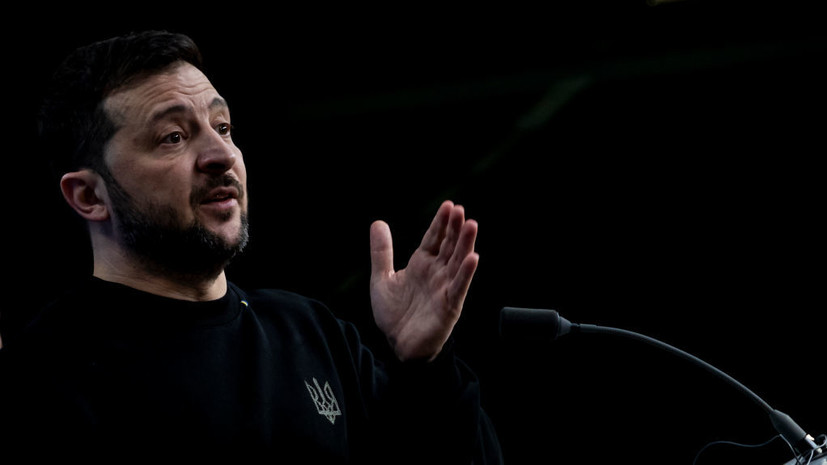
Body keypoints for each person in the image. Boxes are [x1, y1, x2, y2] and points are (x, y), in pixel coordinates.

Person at [0, 30, 502, 463]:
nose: (221, 154)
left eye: (223, 127)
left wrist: (427, 366)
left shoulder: (310, 332)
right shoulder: (43, 376)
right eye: (173, 137)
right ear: (89, 196)